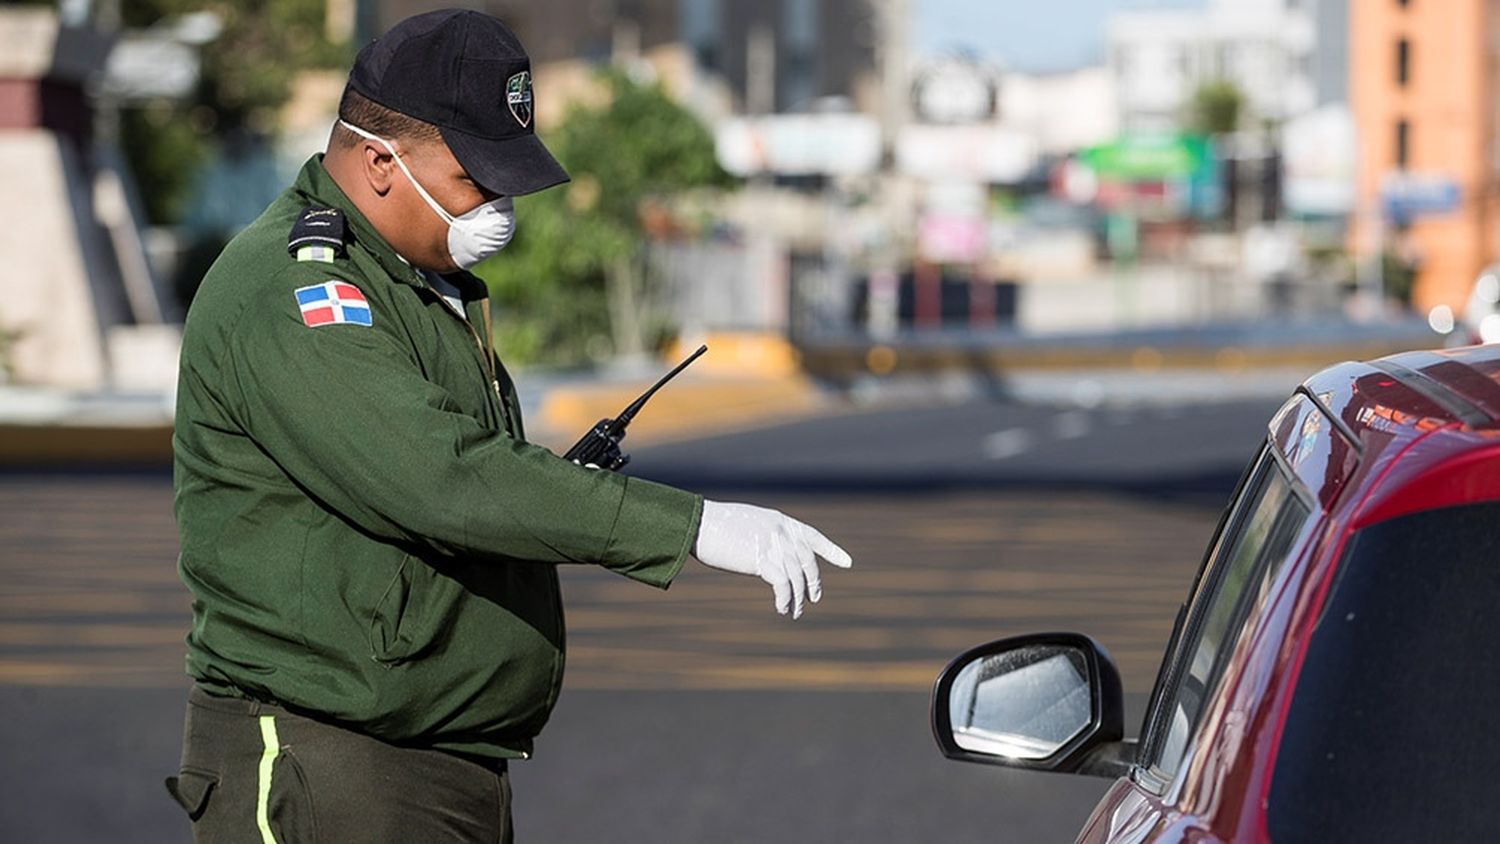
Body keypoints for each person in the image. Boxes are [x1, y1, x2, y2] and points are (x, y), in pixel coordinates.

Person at [164, 9, 851, 842]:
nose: (500, 206)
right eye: (475, 179)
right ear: (379, 162)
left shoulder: (414, 280)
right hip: (333, 766)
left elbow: (473, 473)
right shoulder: (303, 293)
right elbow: (441, 476)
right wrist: (690, 527)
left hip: (429, 762)